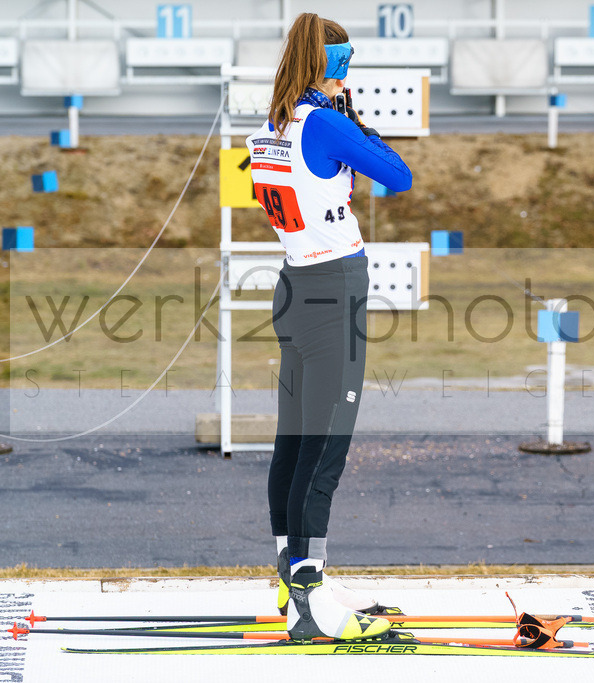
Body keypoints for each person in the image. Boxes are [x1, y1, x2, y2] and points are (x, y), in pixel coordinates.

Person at [245, 12, 412, 641]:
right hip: (333, 287)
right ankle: (311, 602)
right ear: (334, 66)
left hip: (292, 285)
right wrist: (351, 117)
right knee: (326, 446)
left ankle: (297, 586)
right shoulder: (325, 121)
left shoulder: (273, 124)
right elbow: (398, 176)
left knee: (294, 440)